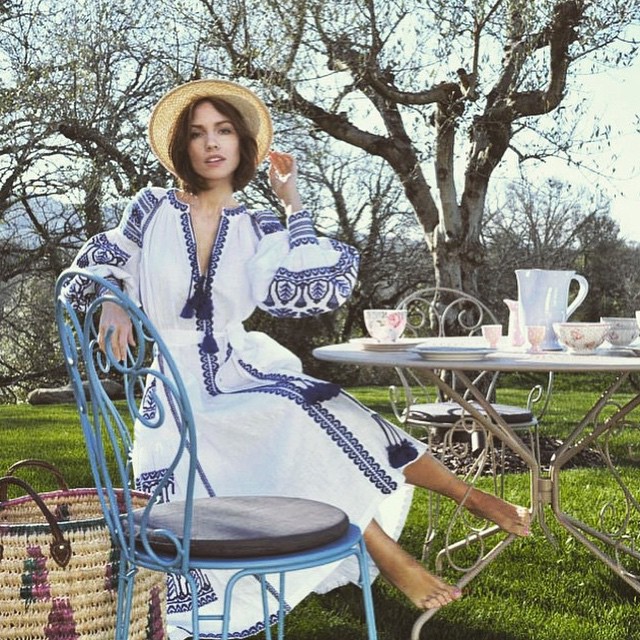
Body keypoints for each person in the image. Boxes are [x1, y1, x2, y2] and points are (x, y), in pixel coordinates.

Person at [62, 78, 530, 639]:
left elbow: (309, 291)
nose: (211, 143)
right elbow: (94, 266)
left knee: (320, 410)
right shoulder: (152, 207)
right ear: (183, 147)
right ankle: (382, 546)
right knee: (293, 423)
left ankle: (463, 496)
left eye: (224, 130)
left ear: (242, 145)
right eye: (197, 133)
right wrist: (114, 300)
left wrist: (293, 205)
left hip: (238, 367)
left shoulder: (258, 225)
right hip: (174, 390)